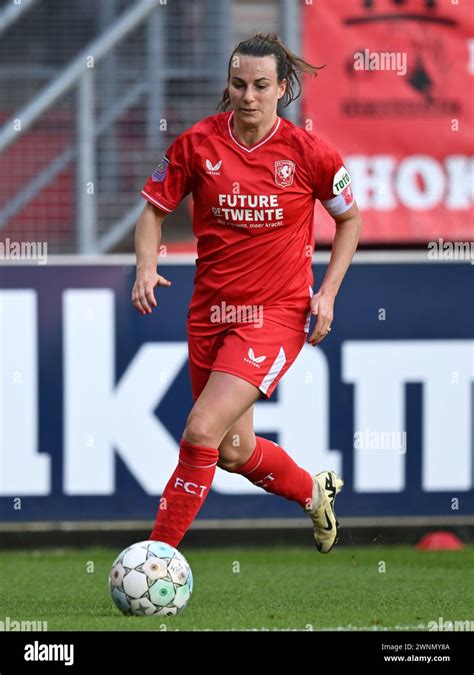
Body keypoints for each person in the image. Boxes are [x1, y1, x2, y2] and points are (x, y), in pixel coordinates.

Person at [132, 33, 361, 554]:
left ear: (283, 88)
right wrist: (147, 264)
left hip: (275, 315)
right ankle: (313, 491)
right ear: (228, 85)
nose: (248, 96)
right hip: (209, 314)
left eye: (261, 85)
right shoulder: (197, 145)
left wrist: (326, 294)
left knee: (200, 429)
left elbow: (349, 220)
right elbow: (152, 213)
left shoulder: (310, 153)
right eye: (239, 84)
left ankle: (157, 559)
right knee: (233, 451)